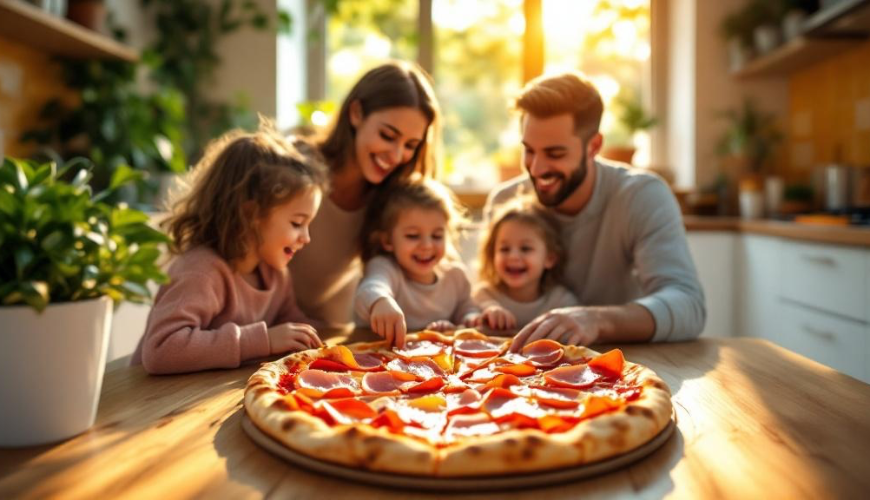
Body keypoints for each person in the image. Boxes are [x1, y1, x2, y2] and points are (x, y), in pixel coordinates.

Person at [482, 71, 705, 351]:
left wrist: (597, 320)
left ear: (594, 146)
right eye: (529, 150)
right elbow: (484, 295)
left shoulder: (642, 196)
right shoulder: (507, 200)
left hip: (621, 365)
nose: (536, 169)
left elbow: (688, 305)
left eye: (555, 154)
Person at [132, 123, 327, 374]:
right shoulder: (201, 271)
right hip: (156, 404)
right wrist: (263, 340)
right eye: (297, 223)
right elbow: (161, 350)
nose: (306, 238)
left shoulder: (274, 273)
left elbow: (290, 324)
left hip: (209, 399)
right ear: (250, 213)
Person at [289, 61, 441, 329]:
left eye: (410, 145)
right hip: (265, 333)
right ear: (356, 113)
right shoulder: (292, 166)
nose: (396, 156)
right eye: (387, 135)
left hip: (331, 337)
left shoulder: (393, 200)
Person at [354, 177, 479, 347]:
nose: (427, 246)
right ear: (388, 241)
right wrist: (380, 301)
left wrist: (469, 320)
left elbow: (467, 308)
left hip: (435, 365)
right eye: (413, 236)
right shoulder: (385, 267)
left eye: (437, 236)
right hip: (381, 358)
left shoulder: (455, 276)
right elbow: (371, 288)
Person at [471, 196, 578, 331]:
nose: (513, 257)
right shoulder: (483, 296)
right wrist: (486, 315)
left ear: (549, 259)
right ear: (492, 255)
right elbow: (466, 327)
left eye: (525, 248)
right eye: (504, 249)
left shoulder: (561, 302)